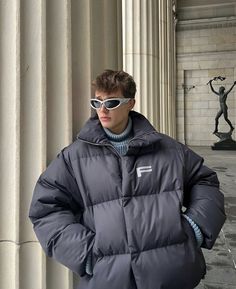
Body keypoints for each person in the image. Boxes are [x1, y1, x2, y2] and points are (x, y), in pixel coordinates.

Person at [29, 70, 226, 289]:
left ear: (131, 103)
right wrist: (86, 254)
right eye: (97, 102)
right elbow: (46, 208)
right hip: (110, 278)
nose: (102, 110)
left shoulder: (169, 149)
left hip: (170, 275)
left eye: (111, 103)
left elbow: (205, 182)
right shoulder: (74, 157)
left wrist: (195, 228)